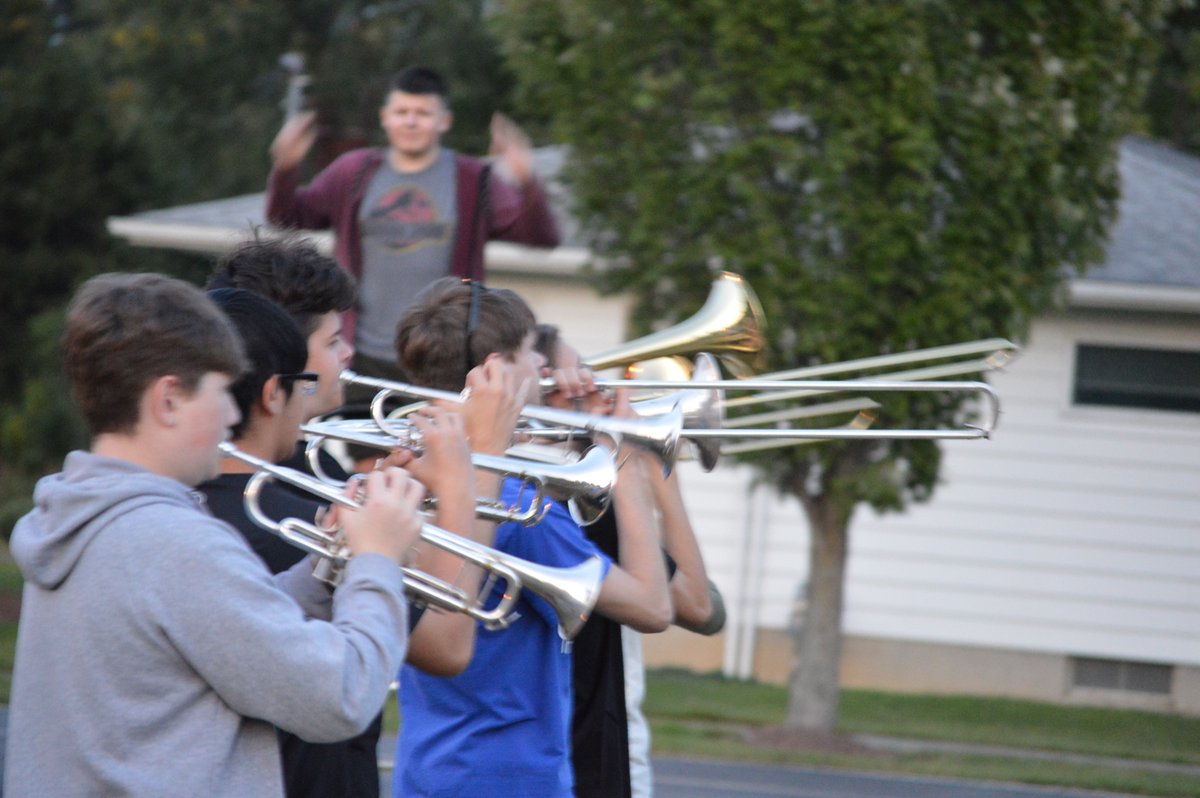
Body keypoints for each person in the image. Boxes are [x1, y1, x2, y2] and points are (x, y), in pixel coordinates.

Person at [4, 273, 423, 797]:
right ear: (169, 401)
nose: (232, 415)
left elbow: (219, 628)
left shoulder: (78, 513)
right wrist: (377, 559)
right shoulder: (175, 542)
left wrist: (330, 563)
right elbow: (341, 696)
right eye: (222, 392)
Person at [391, 278, 673, 797]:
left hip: (426, 771)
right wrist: (627, 461)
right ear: (495, 371)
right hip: (514, 780)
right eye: (527, 354)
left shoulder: (402, 477)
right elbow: (654, 607)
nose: (543, 367)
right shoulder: (522, 508)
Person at [265, 65, 560, 390]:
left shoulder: (472, 179)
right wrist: (285, 168)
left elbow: (540, 237)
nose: (410, 121)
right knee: (366, 438)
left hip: (443, 354)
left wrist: (527, 182)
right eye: (401, 111)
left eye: (422, 112)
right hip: (361, 353)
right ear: (385, 117)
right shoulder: (354, 172)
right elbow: (287, 219)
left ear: (444, 121)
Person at [534, 324, 727, 798]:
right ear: (541, 388)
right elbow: (698, 607)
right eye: (577, 377)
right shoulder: (572, 505)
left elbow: (709, 609)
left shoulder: (593, 498)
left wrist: (651, 464)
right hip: (589, 762)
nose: (596, 387)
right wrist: (642, 465)